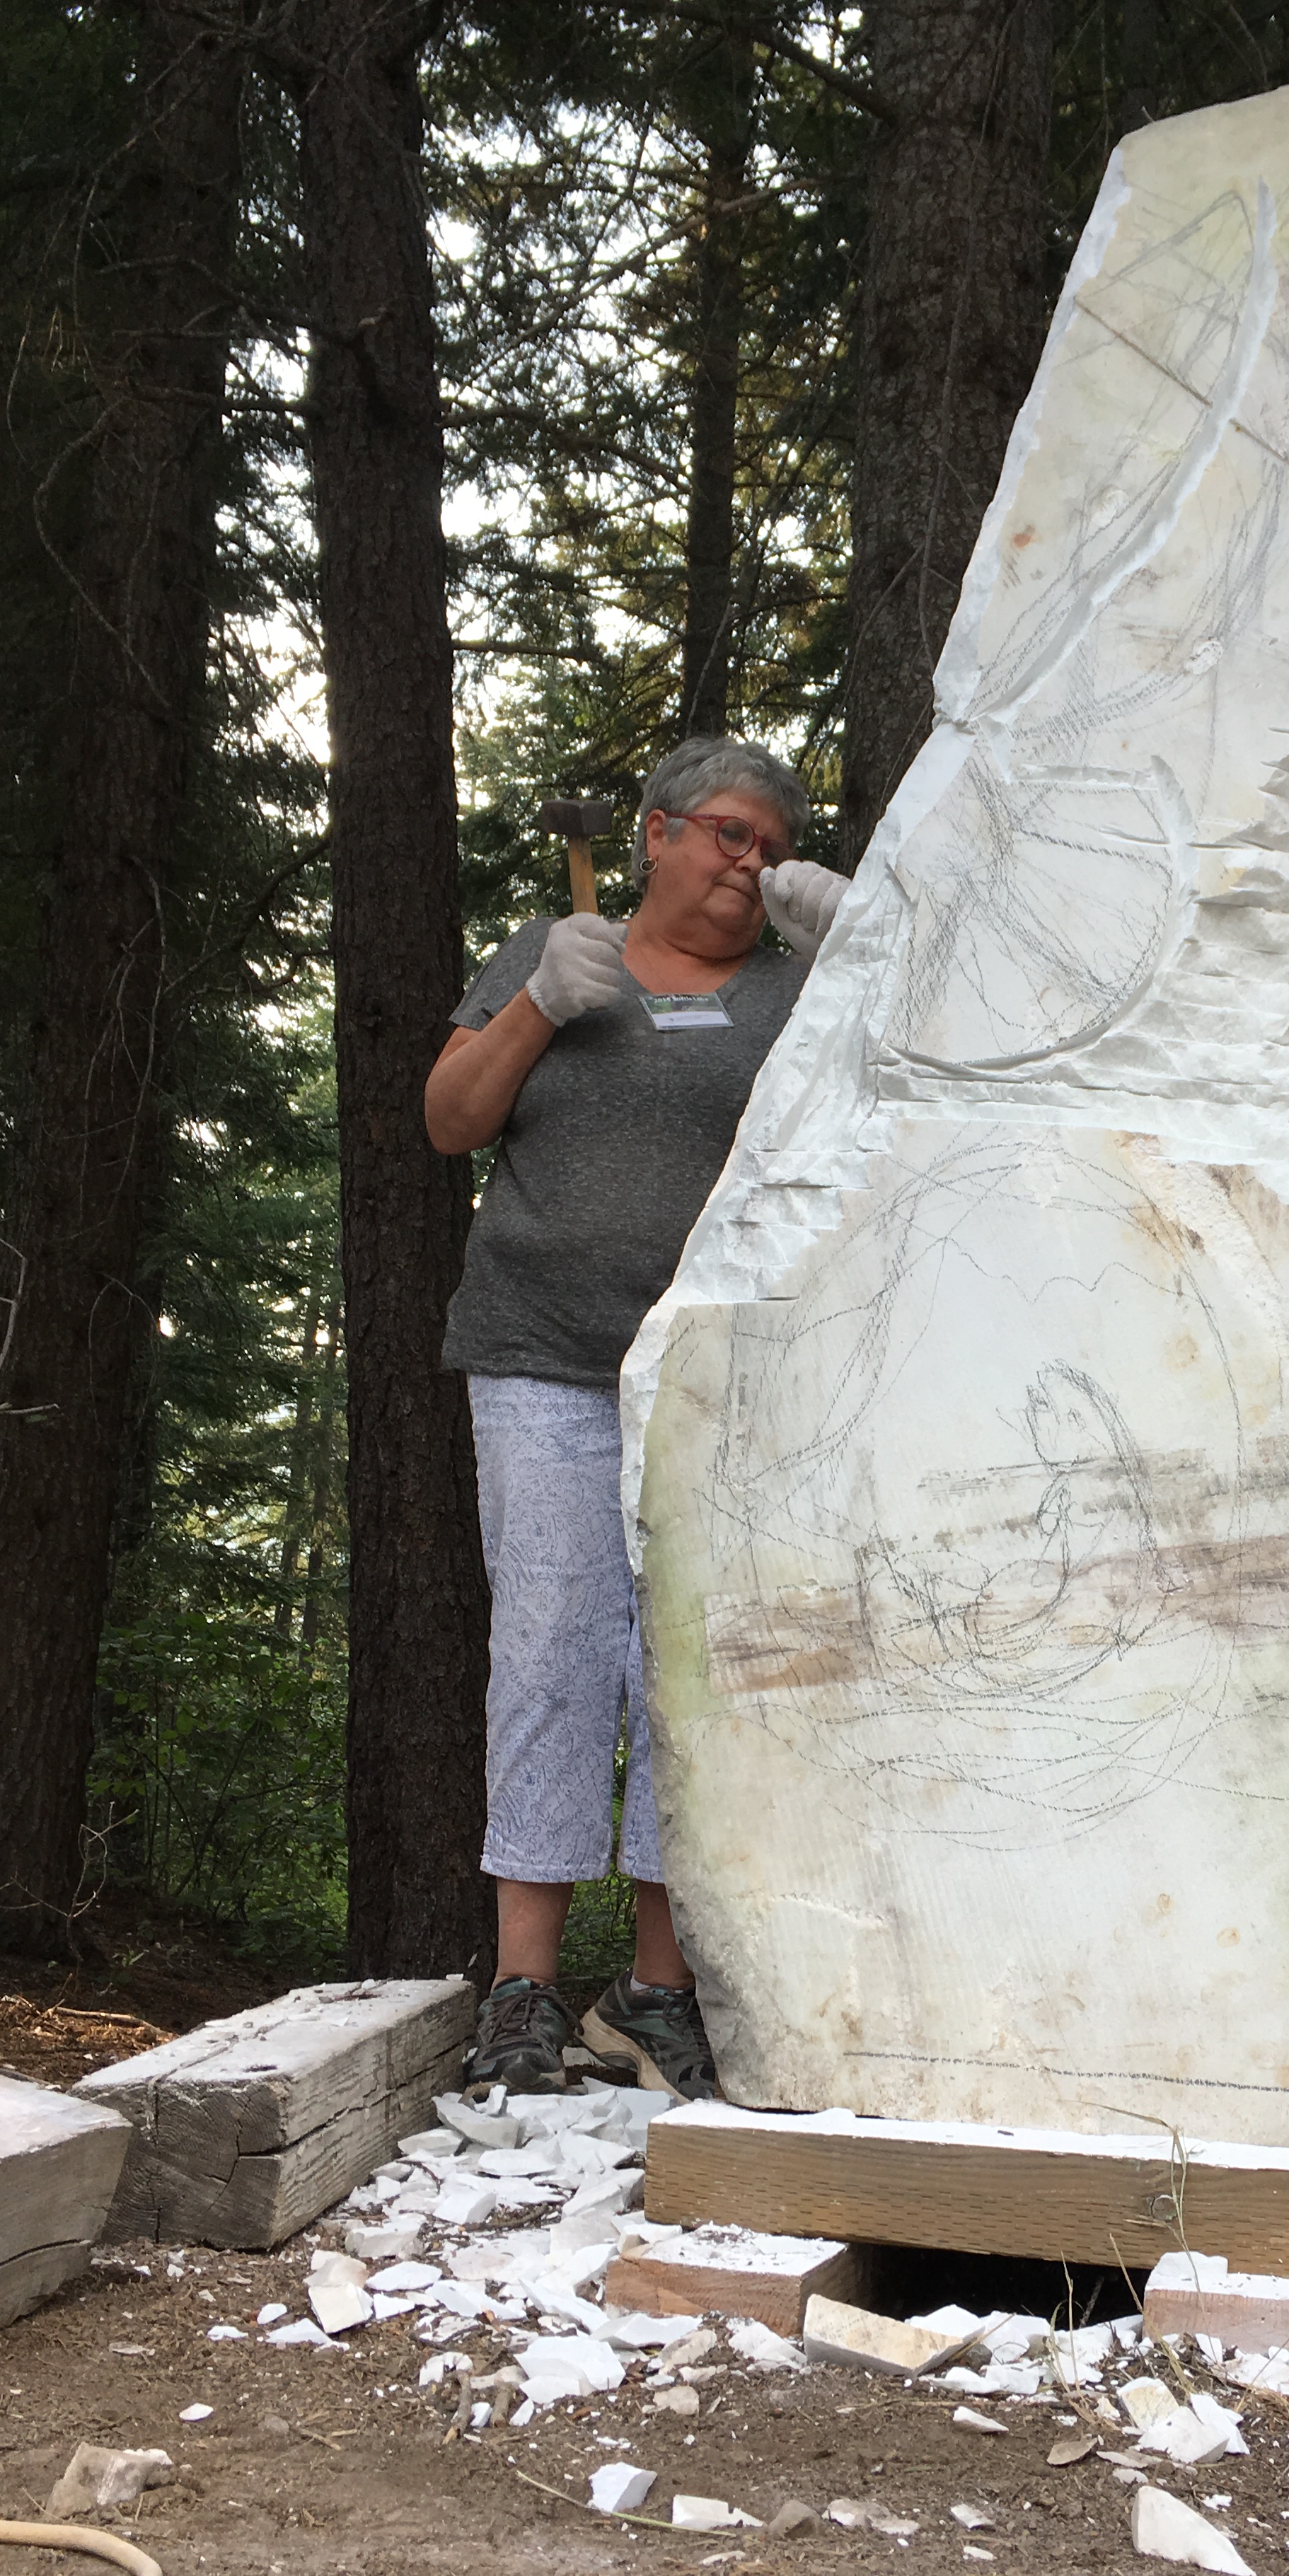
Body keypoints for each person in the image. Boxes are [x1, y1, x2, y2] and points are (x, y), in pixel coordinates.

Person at [427, 736, 850, 2099]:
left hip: (729, 1383)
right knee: (550, 1647)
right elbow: (448, 1120)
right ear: (657, 833)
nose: (751, 862)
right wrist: (542, 1002)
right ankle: (524, 1993)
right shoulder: (554, 952)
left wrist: (860, 961)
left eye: (773, 849)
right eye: (730, 834)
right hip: (543, 1359)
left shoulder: (797, 998)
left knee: (690, 1666)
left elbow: (903, 1116)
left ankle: (652, 1993)